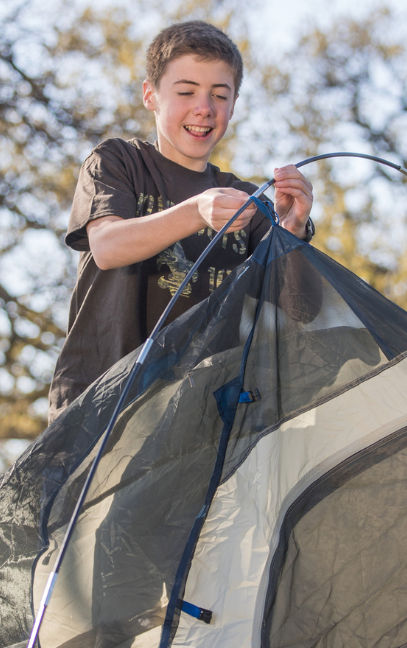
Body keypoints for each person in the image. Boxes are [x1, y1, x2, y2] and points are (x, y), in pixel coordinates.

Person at [47, 20, 314, 423]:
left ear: (235, 103)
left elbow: (303, 307)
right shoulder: (118, 161)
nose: (203, 108)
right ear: (150, 95)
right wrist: (194, 212)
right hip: (100, 411)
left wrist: (291, 231)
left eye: (219, 95)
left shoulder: (247, 200)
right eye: (186, 91)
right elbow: (107, 246)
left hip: (197, 424)